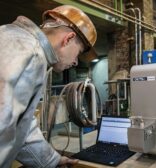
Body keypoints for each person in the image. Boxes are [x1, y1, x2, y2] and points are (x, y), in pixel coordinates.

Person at [0, 5, 97, 167]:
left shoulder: (9, 35)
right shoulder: (31, 54)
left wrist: (52, 160)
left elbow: (20, 128)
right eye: (78, 53)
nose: (75, 62)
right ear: (68, 39)